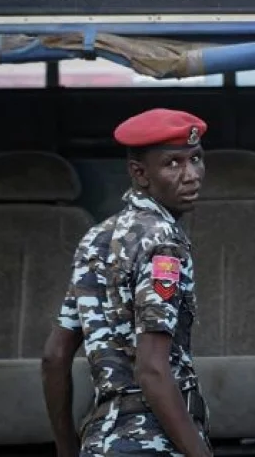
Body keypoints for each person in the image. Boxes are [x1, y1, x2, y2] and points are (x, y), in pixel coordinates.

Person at [41, 108, 214, 457]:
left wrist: (66, 449)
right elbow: (151, 369)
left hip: (101, 442)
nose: (192, 174)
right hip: (155, 441)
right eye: (173, 163)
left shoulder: (96, 237)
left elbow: (54, 357)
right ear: (139, 173)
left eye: (196, 159)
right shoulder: (164, 240)